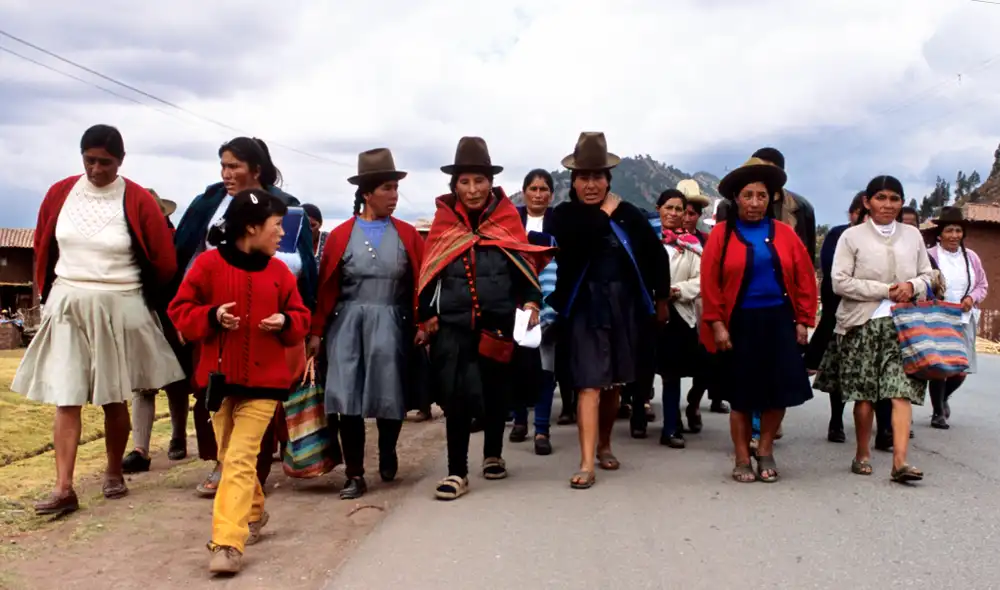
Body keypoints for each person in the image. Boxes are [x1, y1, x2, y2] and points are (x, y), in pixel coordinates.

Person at [13, 124, 183, 515]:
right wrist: (49, 291)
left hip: (118, 301)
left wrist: (141, 299)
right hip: (69, 301)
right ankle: (63, 487)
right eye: (88, 160)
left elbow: (164, 260)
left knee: (112, 395)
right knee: (67, 395)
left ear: (120, 161)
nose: (95, 169)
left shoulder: (137, 198)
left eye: (104, 162)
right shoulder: (60, 193)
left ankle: (113, 472)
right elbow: (43, 242)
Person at [168, 188, 311, 575]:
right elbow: (179, 309)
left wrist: (286, 323)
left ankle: (228, 542)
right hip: (218, 384)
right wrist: (212, 316)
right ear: (251, 227)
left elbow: (301, 316)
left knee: (241, 458)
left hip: (266, 386)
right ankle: (255, 510)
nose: (283, 233)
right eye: (277, 225)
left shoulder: (281, 272)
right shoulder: (207, 266)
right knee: (230, 457)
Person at [171, 137, 317, 498]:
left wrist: (298, 322)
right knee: (213, 396)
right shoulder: (210, 204)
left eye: (234, 165)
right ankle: (226, 466)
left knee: (260, 400)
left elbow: (305, 266)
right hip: (217, 321)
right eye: (222, 165)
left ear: (256, 169)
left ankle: (249, 477)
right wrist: (196, 315)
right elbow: (185, 255)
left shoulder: (286, 210)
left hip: (269, 319)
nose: (226, 173)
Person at [418, 137, 553, 501]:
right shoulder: (444, 224)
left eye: (480, 181)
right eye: (465, 182)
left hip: (499, 326)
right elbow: (428, 274)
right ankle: (456, 471)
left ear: (490, 183)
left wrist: (532, 304)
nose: (473, 189)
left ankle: (493, 455)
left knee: (496, 394)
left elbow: (526, 272)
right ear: (454, 185)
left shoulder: (507, 220)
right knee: (456, 399)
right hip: (455, 328)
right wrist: (426, 316)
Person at [548, 132, 671, 489]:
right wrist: (604, 213)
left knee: (613, 381)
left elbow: (655, 255)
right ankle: (586, 462)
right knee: (589, 382)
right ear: (573, 181)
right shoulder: (564, 215)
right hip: (583, 305)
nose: (590, 184)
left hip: (623, 306)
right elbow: (578, 243)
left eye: (597, 177)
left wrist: (660, 299)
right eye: (583, 177)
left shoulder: (628, 213)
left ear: (608, 180)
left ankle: (604, 444)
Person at [309, 148, 425, 500]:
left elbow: (420, 282)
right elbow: (326, 287)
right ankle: (355, 473)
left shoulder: (408, 234)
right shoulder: (341, 236)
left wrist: (422, 322)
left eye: (395, 188)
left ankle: (388, 450)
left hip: (391, 320)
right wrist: (316, 332)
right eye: (387, 188)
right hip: (346, 323)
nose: (394, 195)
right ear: (367, 193)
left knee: (389, 392)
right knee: (347, 398)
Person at [700, 157, 817, 483]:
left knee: (777, 391)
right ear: (736, 199)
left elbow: (806, 279)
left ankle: (765, 449)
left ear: (771, 199)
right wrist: (717, 323)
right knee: (742, 395)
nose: (754, 202)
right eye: (748, 195)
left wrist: (803, 320)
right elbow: (709, 284)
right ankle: (741, 456)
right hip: (739, 324)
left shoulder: (785, 234)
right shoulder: (721, 236)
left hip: (779, 320)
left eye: (761, 196)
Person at [830, 175, 933, 482]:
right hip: (862, 324)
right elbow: (840, 281)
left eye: (894, 199)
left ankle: (900, 461)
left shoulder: (913, 235)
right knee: (864, 395)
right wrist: (885, 290)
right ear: (867, 202)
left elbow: (929, 275)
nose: (888, 205)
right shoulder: (852, 237)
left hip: (904, 326)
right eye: (881, 198)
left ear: (902, 203)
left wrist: (912, 285)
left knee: (901, 391)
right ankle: (862, 453)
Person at [123, 189, 192, 472]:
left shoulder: (177, 242)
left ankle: (178, 436)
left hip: (170, 315)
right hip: (138, 314)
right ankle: (140, 448)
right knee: (142, 382)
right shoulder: (129, 244)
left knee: (177, 380)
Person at [510, 169, 561, 455]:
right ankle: (519, 421)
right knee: (518, 365)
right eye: (533, 188)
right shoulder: (512, 222)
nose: (538, 194)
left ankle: (542, 429)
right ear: (524, 191)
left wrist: (550, 308)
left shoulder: (559, 224)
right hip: (517, 303)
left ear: (551, 194)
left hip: (549, 305)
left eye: (544, 189)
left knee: (545, 368)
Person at [809, 191, 866, 443]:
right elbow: (835, 274)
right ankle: (836, 421)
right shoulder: (838, 235)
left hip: (876, 312)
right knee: (842, 370)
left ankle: (886, 427)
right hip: (840, 311)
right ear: (854, 213)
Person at [926, 207, 988, 429]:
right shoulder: (930, 256)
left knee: (960, 370)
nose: (954, 235)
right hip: (937, 318)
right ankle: (937, 413)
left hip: (962, 319)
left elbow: (982, 285)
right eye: (949, 230)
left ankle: (943, 399)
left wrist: (971, 298)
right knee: (939, 368)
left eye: (958, 230)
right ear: (940, 233)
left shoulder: (971, 258)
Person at [655, 189, 705, 449]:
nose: (674, 214)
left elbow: (701, 280)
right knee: (641, 371)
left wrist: (677, 291)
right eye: (669, 208)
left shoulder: (692, 247)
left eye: (679, 210)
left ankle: (671, 427)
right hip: (648, 313)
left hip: (679, 315)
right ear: (658, 208)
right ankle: (639, 417)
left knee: (671, 374)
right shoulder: (648, 242)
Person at [677, 179, 729, 421]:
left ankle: (695, 401)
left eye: (692, 213)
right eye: (683, 212)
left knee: (707, 360)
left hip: (702, 307)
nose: (686, 218)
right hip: (675, 306)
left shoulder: (707, 240)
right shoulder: (661, 239)